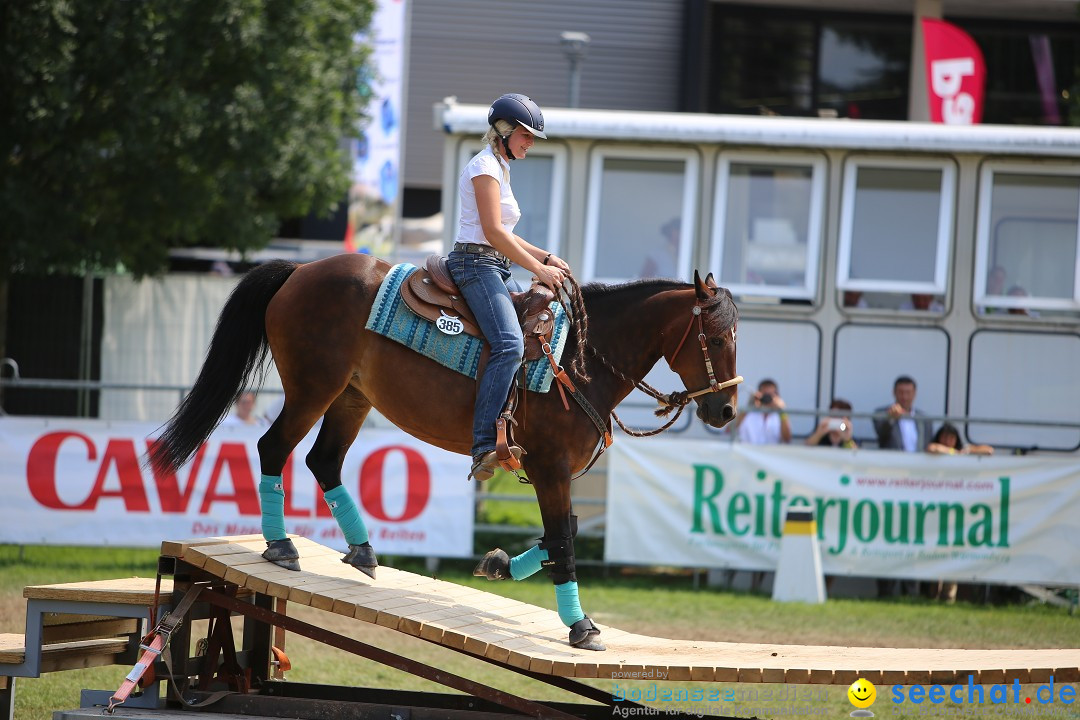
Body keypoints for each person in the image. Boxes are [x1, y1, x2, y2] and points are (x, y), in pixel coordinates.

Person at [450, 93, 571, 482]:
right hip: (476, 264)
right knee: (509, 344)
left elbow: (508, 235)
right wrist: (538, 267)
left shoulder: (500, 167)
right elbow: (493, 232)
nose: (530, 142)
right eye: (526, 135)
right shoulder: (484, 166)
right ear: (503, 132)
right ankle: (484, 443)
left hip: (495, 263)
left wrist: (547, 258)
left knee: (538, 332)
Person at [873, 376, 933, 452]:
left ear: (914, 394)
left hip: (918, 462)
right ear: (894, 393)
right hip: (893, 461)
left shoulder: (924, 419)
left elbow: (928, 443)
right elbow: (881, 433)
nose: (905, 397)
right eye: (901, 392)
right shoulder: (882, 413)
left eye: (908, 393)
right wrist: (891, 418)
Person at [736, 379, 791, 444]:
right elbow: (729, 431)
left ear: (777, 396)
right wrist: (749, 405)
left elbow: (787, 439)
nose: (767, 398)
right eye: (764, 395)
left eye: (770, 395)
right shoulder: (747, 414)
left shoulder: (780, 417)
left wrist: (782, 410)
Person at [926, 422, 993, 456]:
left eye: (951, 438)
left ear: (956, 439)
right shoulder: (934, 446)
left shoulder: (962, 448)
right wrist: (955, 453)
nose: (947, 441)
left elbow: (989, 450)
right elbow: (933, 448)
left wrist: (969, 451)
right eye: (944, 437)